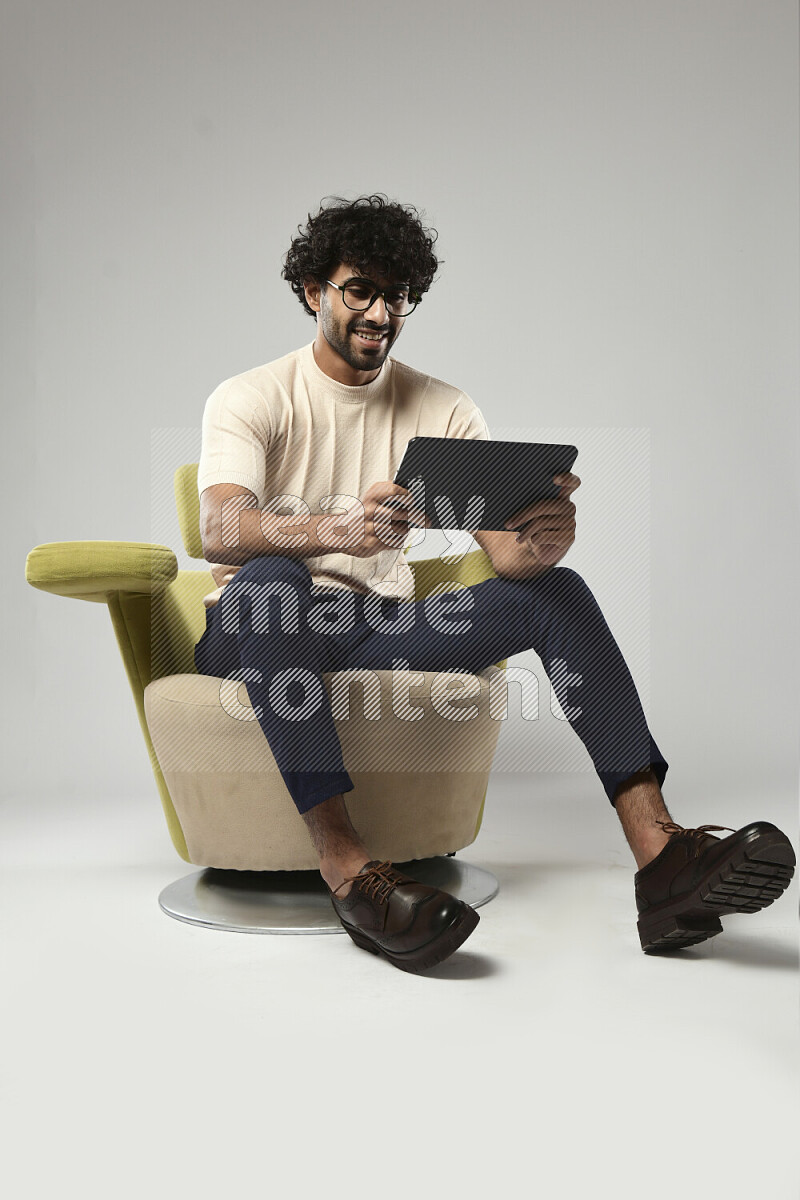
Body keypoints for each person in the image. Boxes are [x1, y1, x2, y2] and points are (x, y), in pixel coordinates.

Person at [193, 194, 795, 973]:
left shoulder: (442, 405)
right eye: (359, 290)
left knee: (560, 593)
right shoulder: (252, 397)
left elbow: (502, 558)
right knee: (270, 580)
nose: (381, 312)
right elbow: (219, 529)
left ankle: (663, 861)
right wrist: (337, 529)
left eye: (398, 296)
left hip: (372, 623)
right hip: (256, 627)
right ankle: (350, 870)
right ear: (314, 291)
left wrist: (540, 542)